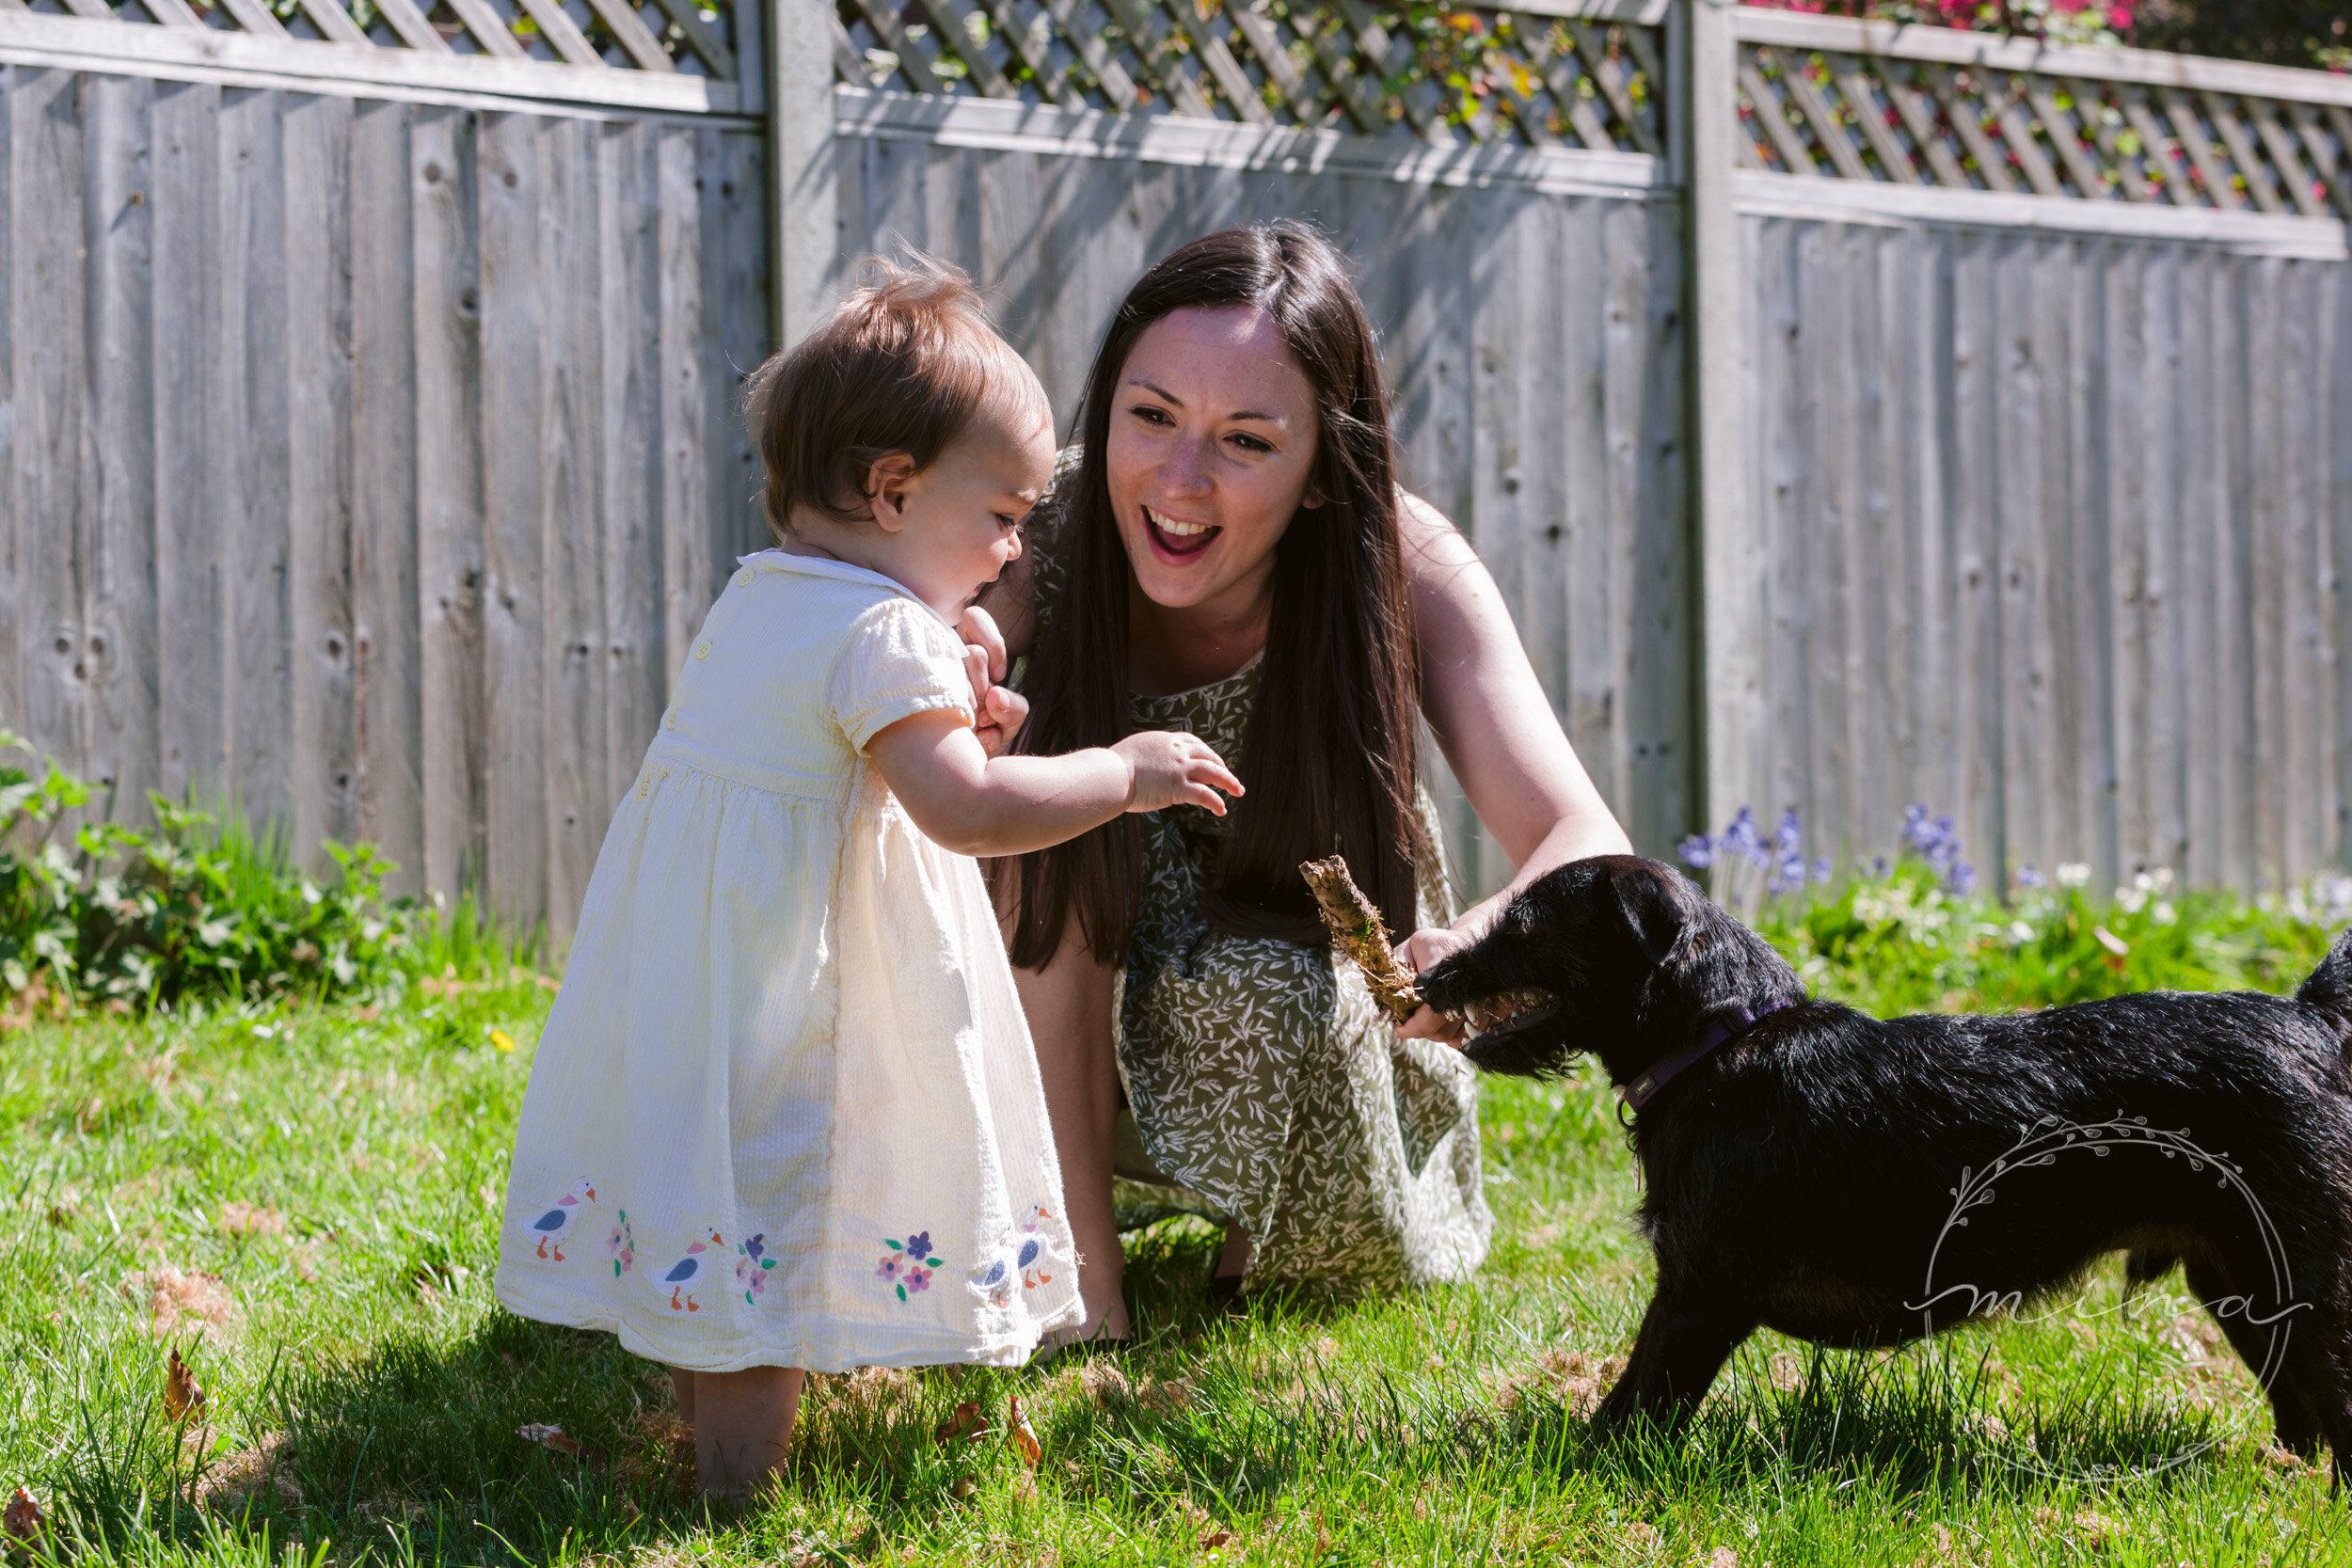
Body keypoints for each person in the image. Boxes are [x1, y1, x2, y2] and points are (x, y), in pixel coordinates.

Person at [494, 260, 1242, 1498]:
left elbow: (867, 762)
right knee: (776, 1222)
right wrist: (1117, 770)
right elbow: (964, 807)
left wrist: (953, 690)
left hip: (696, 981)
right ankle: (733, 1491)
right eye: (1002, 516)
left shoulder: (764, 595)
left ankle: (705, 1424)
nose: (1013, 550)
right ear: (894, 490)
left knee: (718, 1206)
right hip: (796, 1000)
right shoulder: (883, 633)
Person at [976, 222, 1631, 1341]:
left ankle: (1256, 1255)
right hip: (1067, 977)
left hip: (1304, 999)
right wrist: (958, 657)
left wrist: (1472, 947)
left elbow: (1583, 835)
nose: (1179, 479)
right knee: (1046, 841)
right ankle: (1083, 1282)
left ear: (1324, 470)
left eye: (1244, 439)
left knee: (1285, 999)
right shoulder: (1054, 525)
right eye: (1150, 415)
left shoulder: (1402, 559)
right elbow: (927, 657)